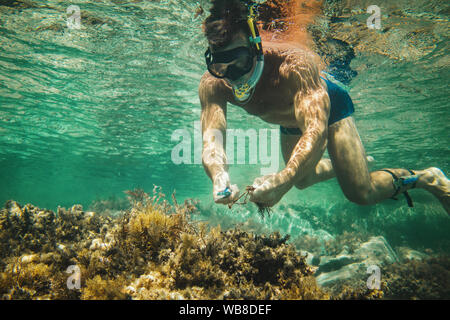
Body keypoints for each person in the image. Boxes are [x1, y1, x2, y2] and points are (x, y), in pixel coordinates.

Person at [198, 0, 449, 213]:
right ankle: (344, 164)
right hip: (291, 120)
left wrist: (284, 179)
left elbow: (315, 133)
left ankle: (429, 178)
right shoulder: (213, 84)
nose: (233, 76)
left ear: (255, 46)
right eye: (220, 66)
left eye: (239, 62)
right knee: (303, 180)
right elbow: (212, 140)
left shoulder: (293, 64)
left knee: (361, 193)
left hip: (329, 106)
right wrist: (219, 176)